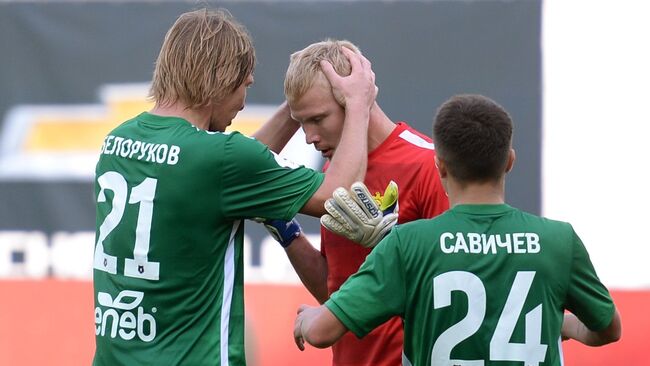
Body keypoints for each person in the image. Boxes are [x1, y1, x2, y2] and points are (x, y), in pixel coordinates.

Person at [92, 9, 377, 366]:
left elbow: (225, 169)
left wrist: (300, 101)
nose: (243, 101)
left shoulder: (117, 140)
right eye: (245, 83)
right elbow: (342, 196)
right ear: (222, 78)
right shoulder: (221, 159)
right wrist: (357, 103)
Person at [292, 94, 622, 365]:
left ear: (440, 166)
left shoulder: (407, 244)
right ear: (509, 161)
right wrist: (554, 321)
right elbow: (608, 329)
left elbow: (321, 333)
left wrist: (307, 318)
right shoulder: (558, 241)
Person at [263, 39, 449, 366]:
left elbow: (453, 291)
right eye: (301, 122)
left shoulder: (428, 165)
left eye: (318, 119)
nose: (308, 137)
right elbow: (336, 289)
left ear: (355, 101)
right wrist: (284, 229)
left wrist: (392, 250)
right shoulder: (335, 171)